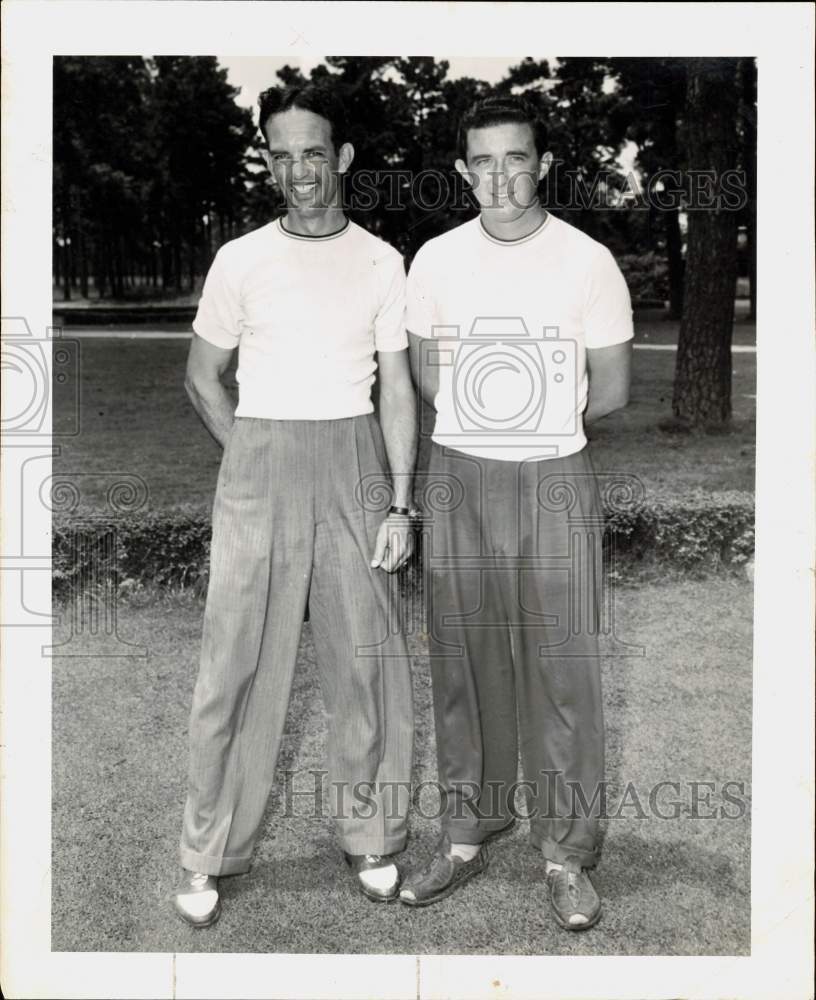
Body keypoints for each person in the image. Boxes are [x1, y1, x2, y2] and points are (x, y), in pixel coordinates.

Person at [173, 83, 417, 927]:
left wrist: (400, 503)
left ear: (341, 158)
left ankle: (372, 835)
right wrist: (251, 453)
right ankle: (209, 852)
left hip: (355, 460)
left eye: (313, 151)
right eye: (281, 154)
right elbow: (203, 378)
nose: (298, 170)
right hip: (262, 462)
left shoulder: (385, 261)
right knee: (234, 662)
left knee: (367, 660)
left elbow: (396, 393)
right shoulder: (240, 259)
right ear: (268, 162)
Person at [401, 95, 632, 930]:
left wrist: (537, 427)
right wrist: (484, 428)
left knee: (563, 671)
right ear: (464, 171)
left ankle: (567, 854)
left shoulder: (587, 260)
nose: (502, 176)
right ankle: (467, 831)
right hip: (459, 476)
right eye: (484, 161)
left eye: (517, 158)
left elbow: (609, 391)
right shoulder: (433, 259)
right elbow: (428, 377)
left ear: (542, 165)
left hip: (554, 479)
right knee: (463, 662)